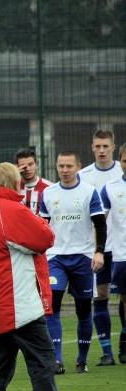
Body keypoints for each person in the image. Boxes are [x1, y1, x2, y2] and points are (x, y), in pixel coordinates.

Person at [0, 162, 81, 391]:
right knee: (42, 358)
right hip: (16, 299)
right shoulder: (11, 210)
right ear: (16, 184)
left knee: (1, 365)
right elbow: (45, 237)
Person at [39, 151, 106, 373]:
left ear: (78, 166)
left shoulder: (89, 193)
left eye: (69, 166)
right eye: (61, 166)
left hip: (83, 258)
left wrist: (99, 252)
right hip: (55, 258)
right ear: (56, 167)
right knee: (52, 307)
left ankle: (81, 359)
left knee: (83, 310)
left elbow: (100, 224)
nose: (65, 170)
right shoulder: (48, 194)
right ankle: (57, 360)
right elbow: (42, 227)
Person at [79, 130, 121, 366]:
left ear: (113, 147)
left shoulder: (120, 172)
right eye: (98, 146)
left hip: (121, 247)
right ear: (92, 148)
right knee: (101, 296)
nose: (102, 150)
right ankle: (107, 351)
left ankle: (123, 343)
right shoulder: (83, 176)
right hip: (98, 248)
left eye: (106, 146)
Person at [99, 142, 126, 363]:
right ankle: (124, 338)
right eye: (125, 161)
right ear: (120, 162)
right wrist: (96, 248)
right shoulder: (110, 188)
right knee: (125, 300)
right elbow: (101, 220)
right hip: (121, 255)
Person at [15, 148, 51, 215]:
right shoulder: (12, 187)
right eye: (23, 166)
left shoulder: (49, 188)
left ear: (37, 164)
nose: (27, 169)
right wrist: (14, 174)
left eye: (30, 164)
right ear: (17, 167)